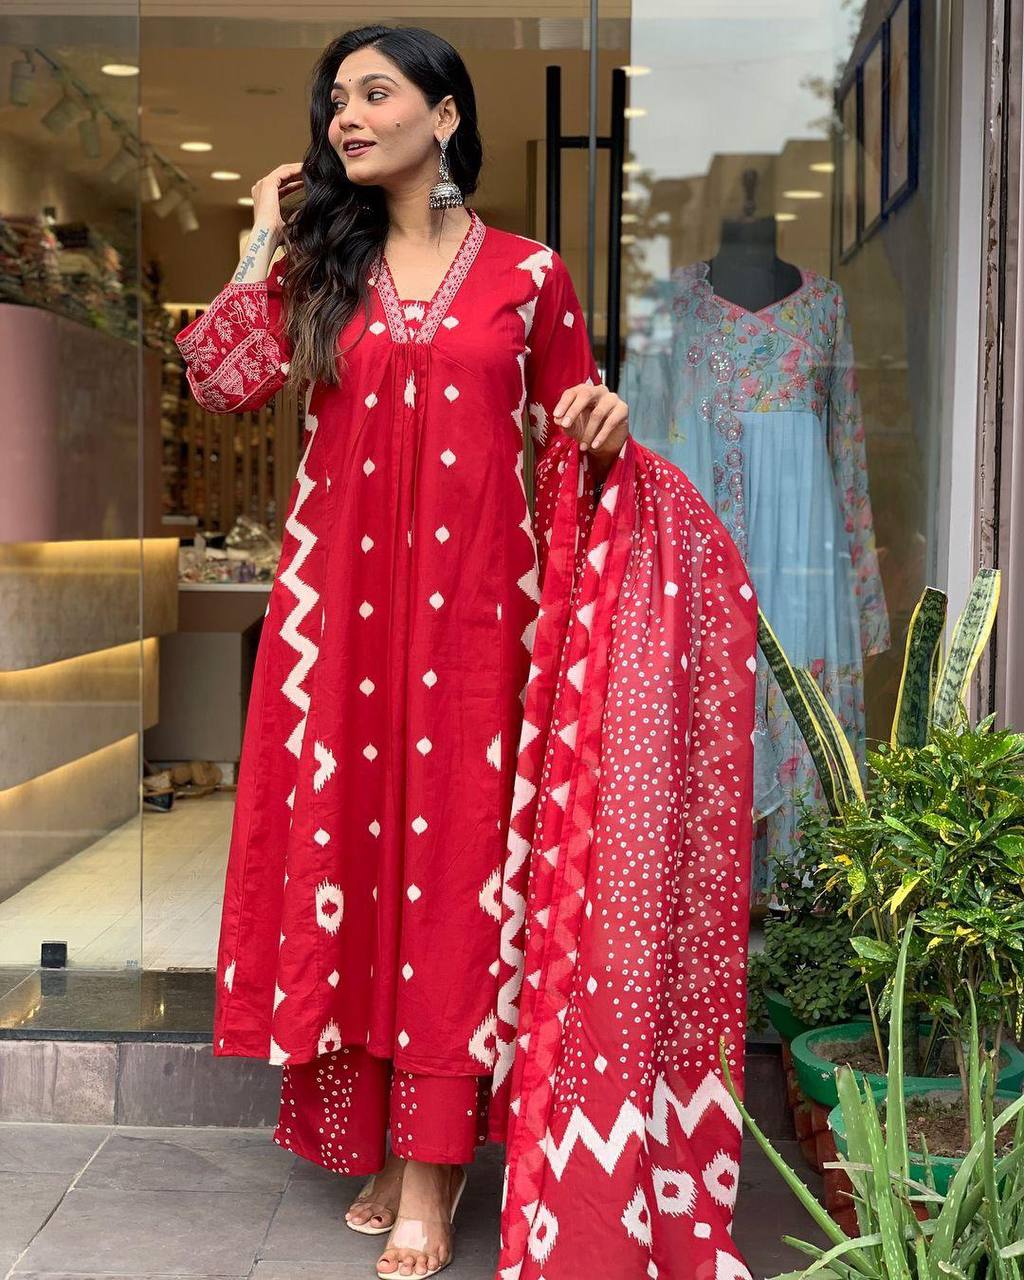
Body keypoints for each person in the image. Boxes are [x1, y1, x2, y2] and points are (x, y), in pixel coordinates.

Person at [174, 24, 629, 1280]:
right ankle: (392, 1139)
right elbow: (218, 381)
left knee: (454, 875)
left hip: (486, 622)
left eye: (373, 94)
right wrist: (262, 241)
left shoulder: (530, 275)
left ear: (443, 114)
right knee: (360, 869)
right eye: (333, 100)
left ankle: (432, 1165)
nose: (344, 116)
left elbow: (572, 435)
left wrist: (602, 422)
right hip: (343, 631)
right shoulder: (326, 269)